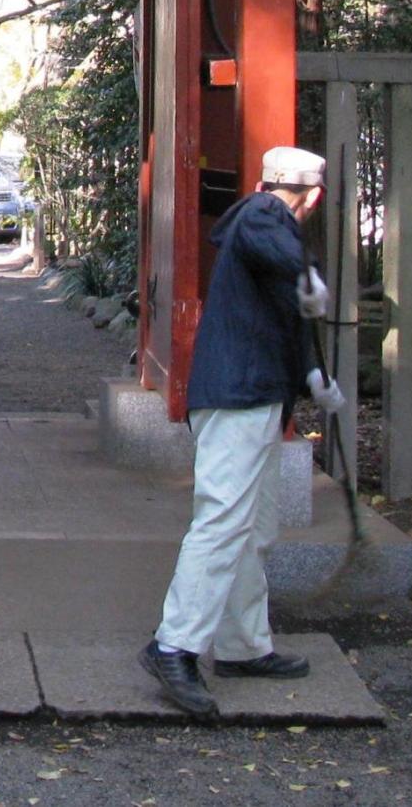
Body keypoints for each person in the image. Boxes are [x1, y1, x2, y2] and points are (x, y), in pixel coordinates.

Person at [141, 146, 343, 721]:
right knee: (223, 519)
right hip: (237, 397)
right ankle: (173, 645)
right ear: (314, 197)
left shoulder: (269, 232)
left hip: (254, 396)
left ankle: (242, 644)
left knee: (254, 524)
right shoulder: (264, 218)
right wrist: (305, 272)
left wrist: (312, 375)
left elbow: (283, 315)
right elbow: (269, 241)